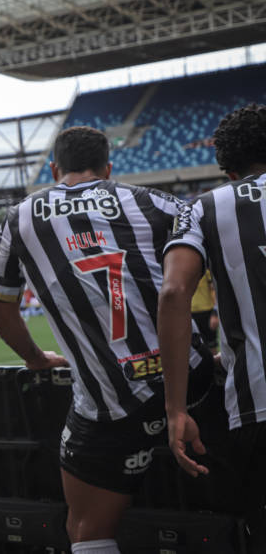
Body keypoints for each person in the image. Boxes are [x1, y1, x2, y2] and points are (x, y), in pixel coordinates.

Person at [0, 126, 211, 554]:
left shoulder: (20, 219)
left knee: (86, 529)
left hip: (111, 402)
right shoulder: (157, 203)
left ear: (54, 169)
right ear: (109, 169)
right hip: (193, 377)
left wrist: (35, 358)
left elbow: (1, 310)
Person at [158, 103, 266, 548]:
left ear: (225, 167)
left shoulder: (204, 208)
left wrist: (176, 408)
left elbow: (173, 292)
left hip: (256, 402)